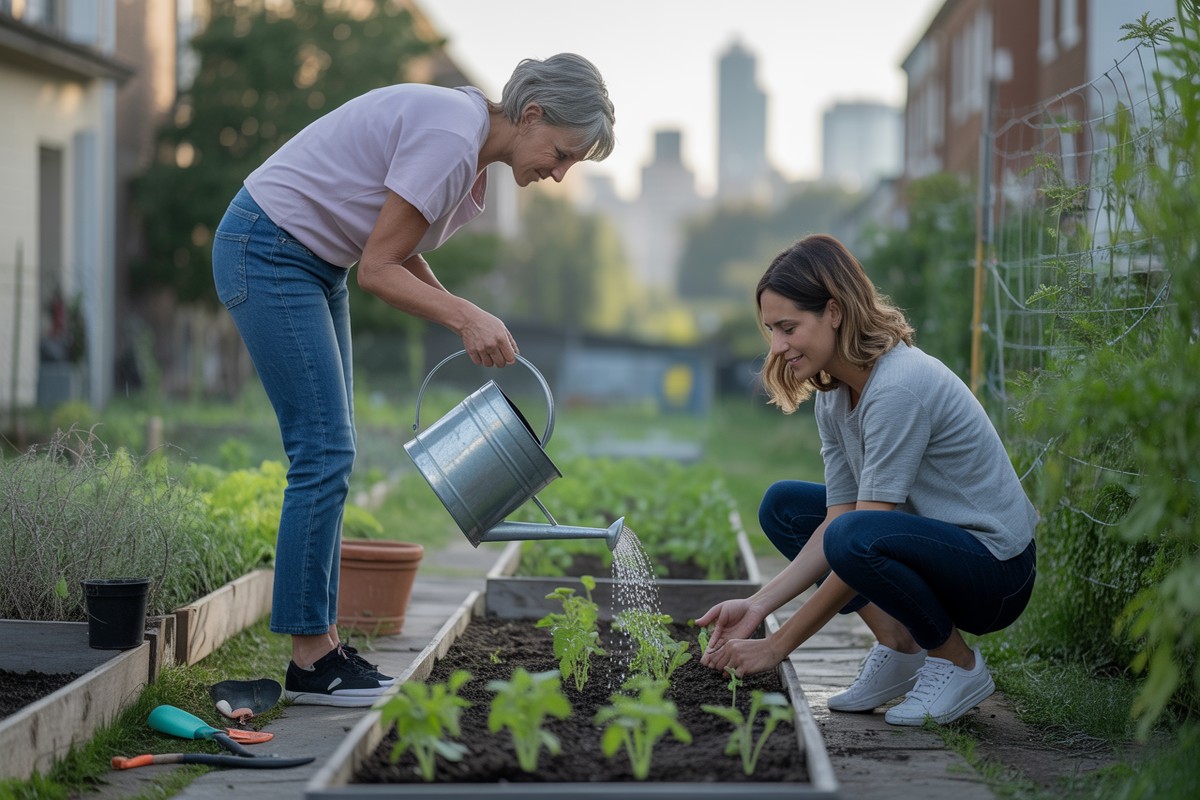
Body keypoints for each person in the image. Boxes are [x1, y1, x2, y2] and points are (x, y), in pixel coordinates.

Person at [211, 53, 615, 707]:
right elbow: (379, 269)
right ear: (533, 114)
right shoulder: (452, 135)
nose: (561, 174)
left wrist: (465, 314)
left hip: (314, 261)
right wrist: (466, 316)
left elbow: (396, 252)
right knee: (323, 451)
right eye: (564, 152)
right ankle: (312, 660)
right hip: (271, 247)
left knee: (330, 451)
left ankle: (323, 646)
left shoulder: (469, 150)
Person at [698, 234, 1037, 726]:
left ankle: (957, 663)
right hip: (932, 546)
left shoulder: (899, 386)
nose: (777, 347)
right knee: (785, 508)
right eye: (771, 330)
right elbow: (837, 522)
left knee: (854, 537)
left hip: (996, 571)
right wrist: (756, 606)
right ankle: (900, 646)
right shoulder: (836, 396)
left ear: (833, 311)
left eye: (788, 327)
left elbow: (855, 540)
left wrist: (777, 645)